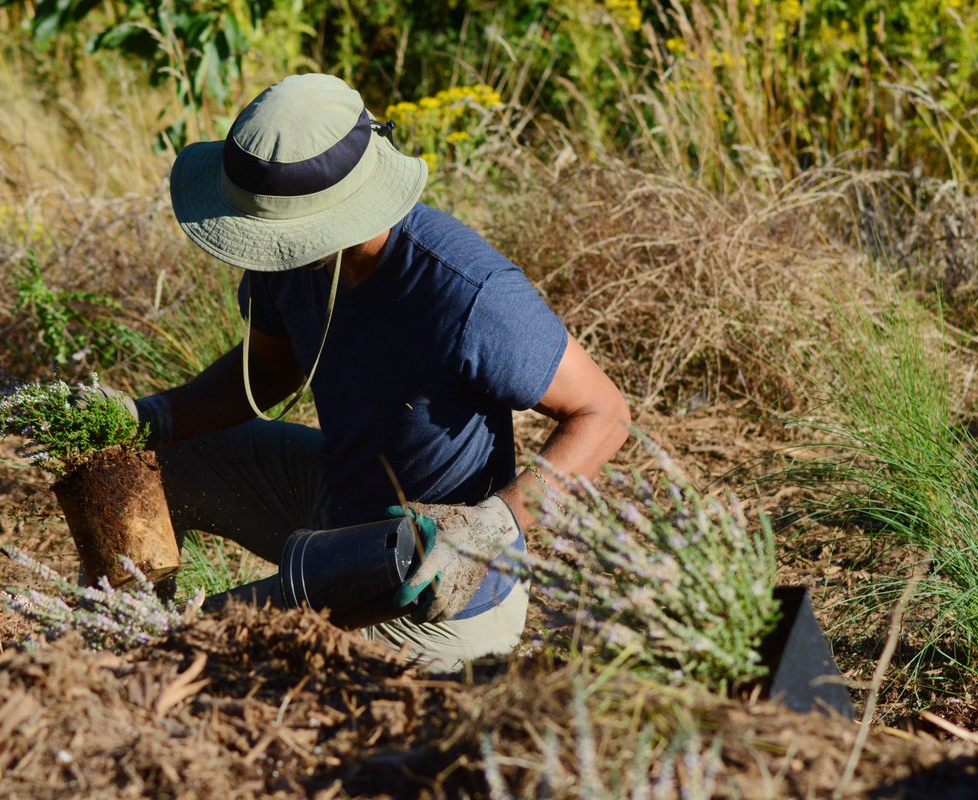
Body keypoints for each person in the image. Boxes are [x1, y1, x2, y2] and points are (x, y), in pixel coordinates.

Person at [108, 73, 630, 671]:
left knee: (200, 650)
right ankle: (115, 619)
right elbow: (269, 370)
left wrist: (489, 528)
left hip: (432, 584)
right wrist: (149, 417)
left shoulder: (466, 291)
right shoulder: (293, 256)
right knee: (136, 461)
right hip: (336, 500)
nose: (265, 252)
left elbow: (606, 414)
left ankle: (134, 661)